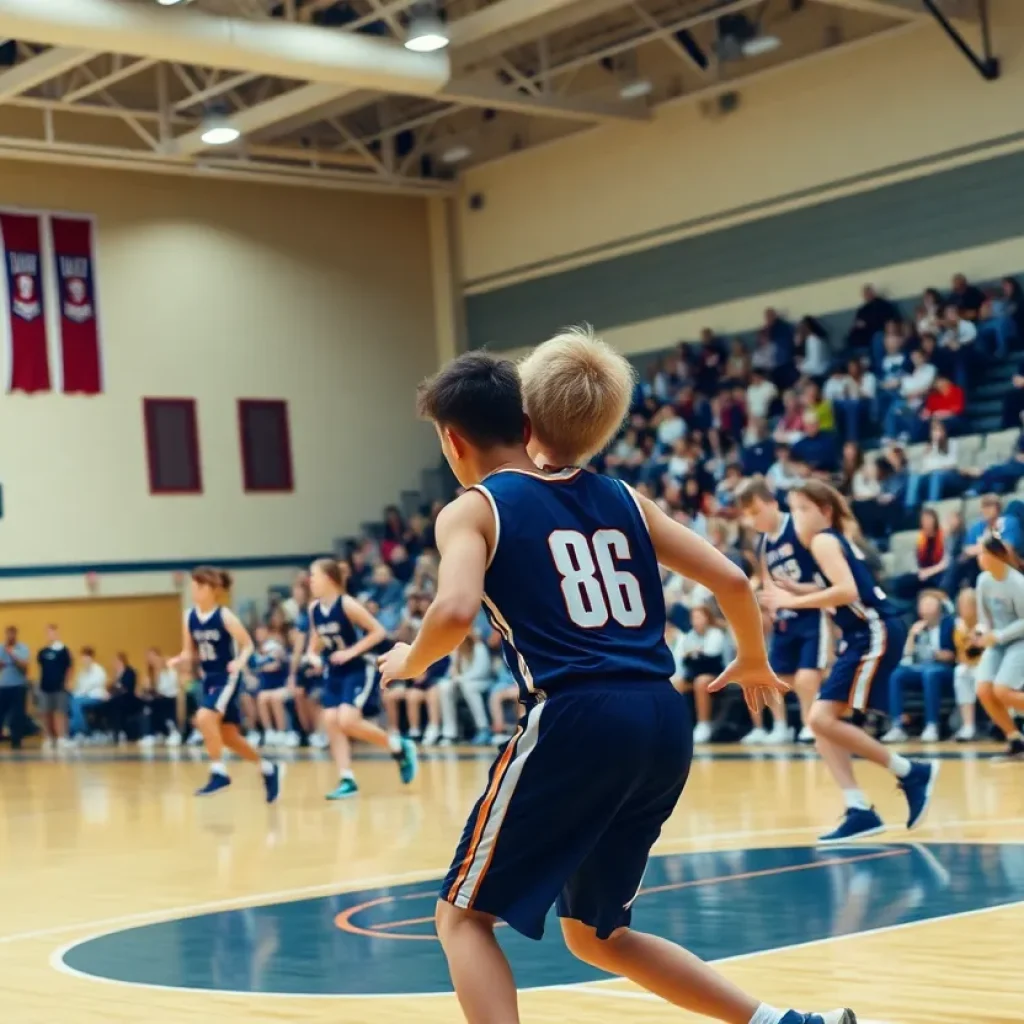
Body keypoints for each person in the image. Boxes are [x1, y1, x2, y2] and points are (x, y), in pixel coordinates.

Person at [379, 338, 850, 1024]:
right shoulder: (625, 498)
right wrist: (751, 657)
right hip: (661, 720)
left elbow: (451, 610)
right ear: (528, 423)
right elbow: (730, 579)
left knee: (461, 920)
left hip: (576, 716)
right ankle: (781, 1023)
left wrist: (411, 662)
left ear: (453, 441)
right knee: (598, 934)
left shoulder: (474, 508)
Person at [760, 480, 938, 843]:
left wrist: (791, 602)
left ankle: (911, 772)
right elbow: (837, 586)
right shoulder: (824, 544)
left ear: (825, 512)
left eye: (804, 509)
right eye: (793, 510)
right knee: (821, 722)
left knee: (820, 719)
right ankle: (858, 806)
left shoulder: (824, 540)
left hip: (873, 630)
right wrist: (799, 591)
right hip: (861, 634)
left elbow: (848, 592)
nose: (797, 517)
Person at [169, 567, 281, 802]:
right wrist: (179, 660)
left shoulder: (225, 616)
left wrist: (240, 662)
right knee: (229, 737)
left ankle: (218, 772)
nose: (194, 590)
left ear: (212, 590)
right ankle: (268, 768)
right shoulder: (188, 616)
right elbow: (189, 651)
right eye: (193, 585)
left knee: (204, 717)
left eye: (198, 586)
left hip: (227, 676)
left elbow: (248, 644)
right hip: (209, 678)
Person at [307, 557, 415, 799]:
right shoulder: (314, 609)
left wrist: (350, 652)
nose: (310, 580)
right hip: (334, 671)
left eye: (314, 575)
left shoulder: (347, 604)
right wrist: (312, 656)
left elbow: (378, 632)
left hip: (358, 667)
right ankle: (347, 778)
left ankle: (398, 745)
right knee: (331, 719)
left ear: (328, 579)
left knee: (347, 719)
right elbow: (314, 640)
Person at [737, 476, 827, 745]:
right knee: (772, 678)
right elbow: (766, 578)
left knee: (805, 676)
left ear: (772, 503)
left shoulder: (799, 527)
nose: (754, 520)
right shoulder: (763, 543)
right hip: (785, 618)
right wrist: (767, 601)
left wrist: (797, 590)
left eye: (756, 512)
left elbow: (825, 577)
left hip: (812, 611)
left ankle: (810, 724)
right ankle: (780, 727)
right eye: (748, 515)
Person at [972, 532, 1024, 760]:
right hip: (997, 641)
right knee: (984, 690)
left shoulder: (1017, 583)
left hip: (1019, 640)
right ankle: (1015, 739)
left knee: (1002, 690)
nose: (979, 556)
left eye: (982, 552)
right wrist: (981, 633)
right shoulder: (983, 580)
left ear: (995, 555)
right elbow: (984, 619)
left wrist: (999, 635)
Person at [883, 591, 955, 743]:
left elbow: (954, 655)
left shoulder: (949, 624)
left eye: (930, 603)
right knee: (897, 674)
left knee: (930, 674)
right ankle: (897, 726)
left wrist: (941, 654)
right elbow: (907, 657)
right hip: (920, 667)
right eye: (923, 604)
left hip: (943, 668)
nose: (926, 607)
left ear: (939, 607)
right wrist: (911, 635)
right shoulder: (916, 626)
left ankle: (931, 725)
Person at [671, 605, 727, 744]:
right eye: (694, 617)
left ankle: (704, 724)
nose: (696, 621)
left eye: (699, 617)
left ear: (707, 618)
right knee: (676, 684)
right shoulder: (689, 635)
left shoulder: (715, 634)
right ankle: (678, 725)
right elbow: (683, 657)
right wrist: (694, 654)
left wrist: (693, 654)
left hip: (718, 674)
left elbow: (710, 657)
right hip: (695, 673)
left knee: (701, 682)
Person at [253, 623, 294, 747]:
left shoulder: (275, 647)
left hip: (282, 685)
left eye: (262, 632)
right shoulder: (256, 650)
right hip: (267, 687)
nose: (260, 635)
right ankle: (269, 731)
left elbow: (277, 665)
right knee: (261, 697)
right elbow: (256, 667)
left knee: (275, 698)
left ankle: (282, 732)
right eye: (257, 633)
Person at [35, 624, 72, 753]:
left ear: (57, 634)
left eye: (53, 633)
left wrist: (67, 682)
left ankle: (62, 737)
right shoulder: (43, 652)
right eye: (48, 633)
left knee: (60, 712)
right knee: (45, 713)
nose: (50, 635)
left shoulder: (64, 651)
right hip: (45, 686)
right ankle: (48, 738)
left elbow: (69, 668)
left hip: (59, 686)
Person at [951, 588, 982, 742]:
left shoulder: (985, 622)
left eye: (968, 605)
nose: (964, 608)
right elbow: (963, 654)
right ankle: (968, 726)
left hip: (987, 665)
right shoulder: (959, 625)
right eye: (961, 605)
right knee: (960, 672)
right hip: (969, 665)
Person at [139, 647, 181, 747]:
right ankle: (152, 733)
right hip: (159, 697)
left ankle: (173, 732)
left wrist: (156, 685)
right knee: (147, 705)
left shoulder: (169, 670)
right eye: (149, 658)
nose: (152, 660)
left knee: (156, 704)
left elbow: (171, 686)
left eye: (153, 657)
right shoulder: (151, 673)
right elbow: (149, 690)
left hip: (171, 696)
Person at [69, 646, 108, 742]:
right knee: (70, 702)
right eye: (83, 657)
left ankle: (82, 731)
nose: (84, 659)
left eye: (86, 657)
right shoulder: (82, 673)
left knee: (76, 703)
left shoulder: (99, 670)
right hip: (82, 697)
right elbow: (79, 688)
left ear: (91, 658)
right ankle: (76, 730)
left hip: (96, 697)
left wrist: (80, 695)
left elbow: (93, 687)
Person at [0, 626, 30, 750]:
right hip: (3, 685)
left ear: (16, 635)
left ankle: (16, 740)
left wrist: (12, 654)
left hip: (18, 685)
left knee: (18, 714)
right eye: (8, 634)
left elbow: (24, 667)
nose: (10, 637)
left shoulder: (22, 648)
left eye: (12, 634)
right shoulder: (1, 647)